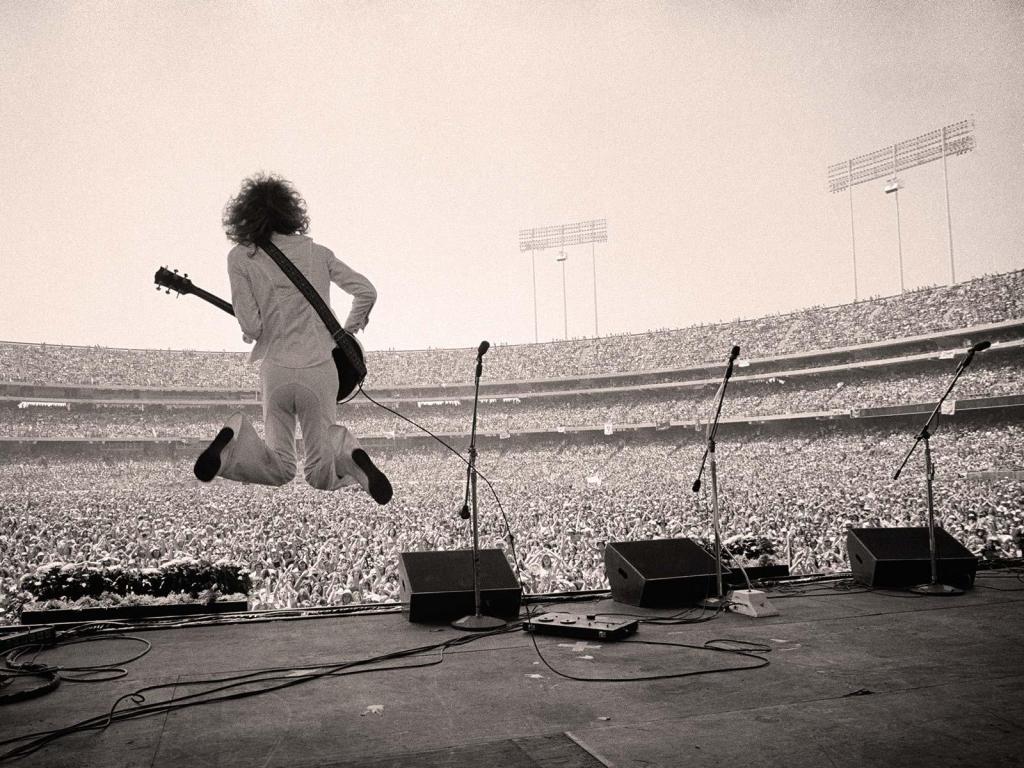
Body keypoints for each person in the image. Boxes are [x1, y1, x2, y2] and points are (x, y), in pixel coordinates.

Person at [193, 173, 392, 504]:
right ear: (292, 212)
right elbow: (365, 291)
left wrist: (252, 327)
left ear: (244, 215)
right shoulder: (319, 253)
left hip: (277, 371)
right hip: (320, 370)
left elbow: (253, 328)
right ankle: (346, 453)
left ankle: (233, 443)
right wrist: (347, 330)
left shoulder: (241, 258)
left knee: (281, 466)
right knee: (320, 472)